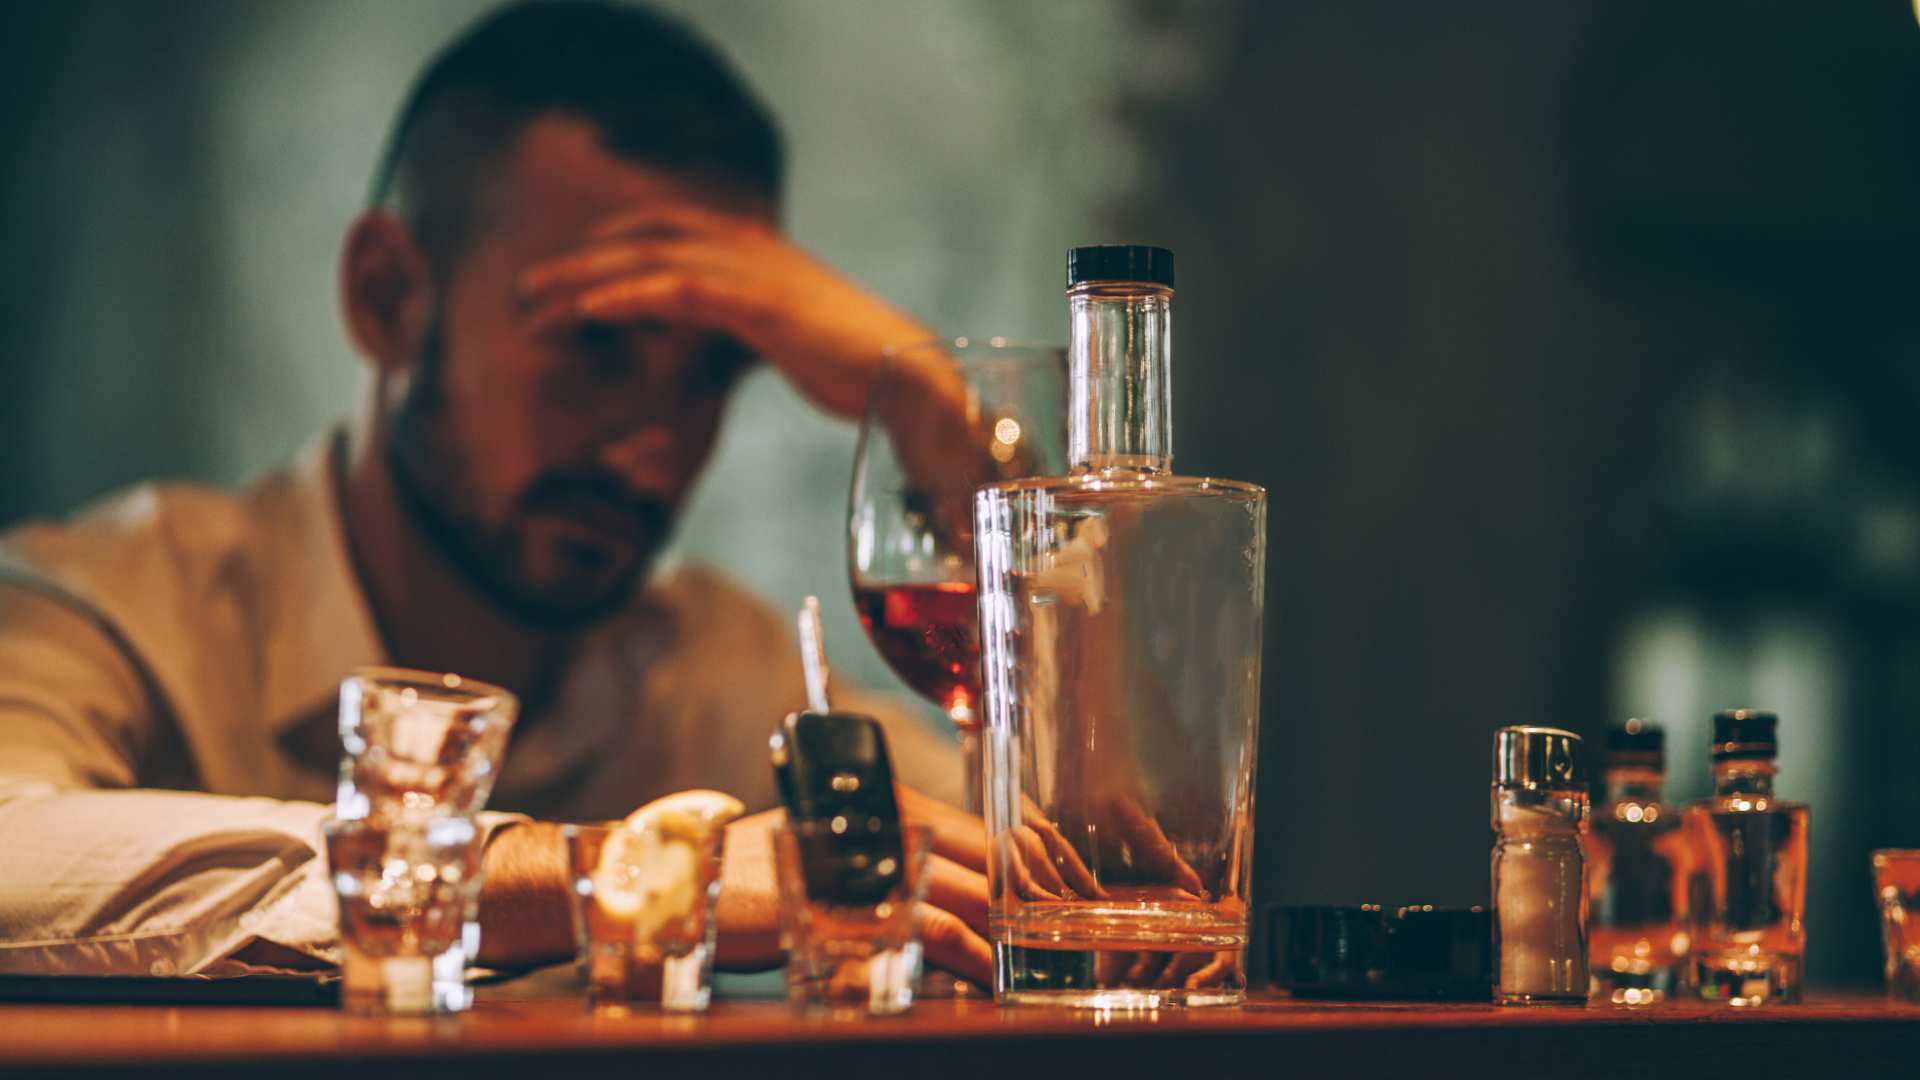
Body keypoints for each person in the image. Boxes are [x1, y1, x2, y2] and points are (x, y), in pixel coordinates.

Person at [0, 0, 994, 982]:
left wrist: (937, 425)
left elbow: (1067, 850)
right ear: (387, 298)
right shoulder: (112, 606)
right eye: (594, 345)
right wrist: (607, 874)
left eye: (709, 378)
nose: (656, 455)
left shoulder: (708, 670)